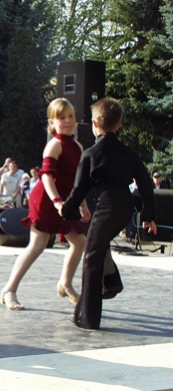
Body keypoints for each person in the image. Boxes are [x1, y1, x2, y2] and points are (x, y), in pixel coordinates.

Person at [61, 98, 157, 330]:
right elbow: (146, 184)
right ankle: (112, 282)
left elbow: (79, 188)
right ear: (119, 125)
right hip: (124, 208)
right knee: (99, 246)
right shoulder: (129, 153)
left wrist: (67, 210)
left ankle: (88, 319)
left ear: (94, 124)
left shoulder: (91, 154)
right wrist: (148, 216)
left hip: (106, 208)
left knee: (91, 258)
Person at [0, 98, 89, 310]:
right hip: (46, 200)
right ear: (52, 122)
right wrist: (57, 201)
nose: (68, 121)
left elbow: (78, 181)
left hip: (66, 201)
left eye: (71, 116)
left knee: (80, 242)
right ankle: (9, 290)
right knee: (38, 244)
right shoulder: (54, 145)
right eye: (61, 117)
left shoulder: (78, 146)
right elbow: (46, 176)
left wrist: (83, 204)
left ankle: (65, 283)